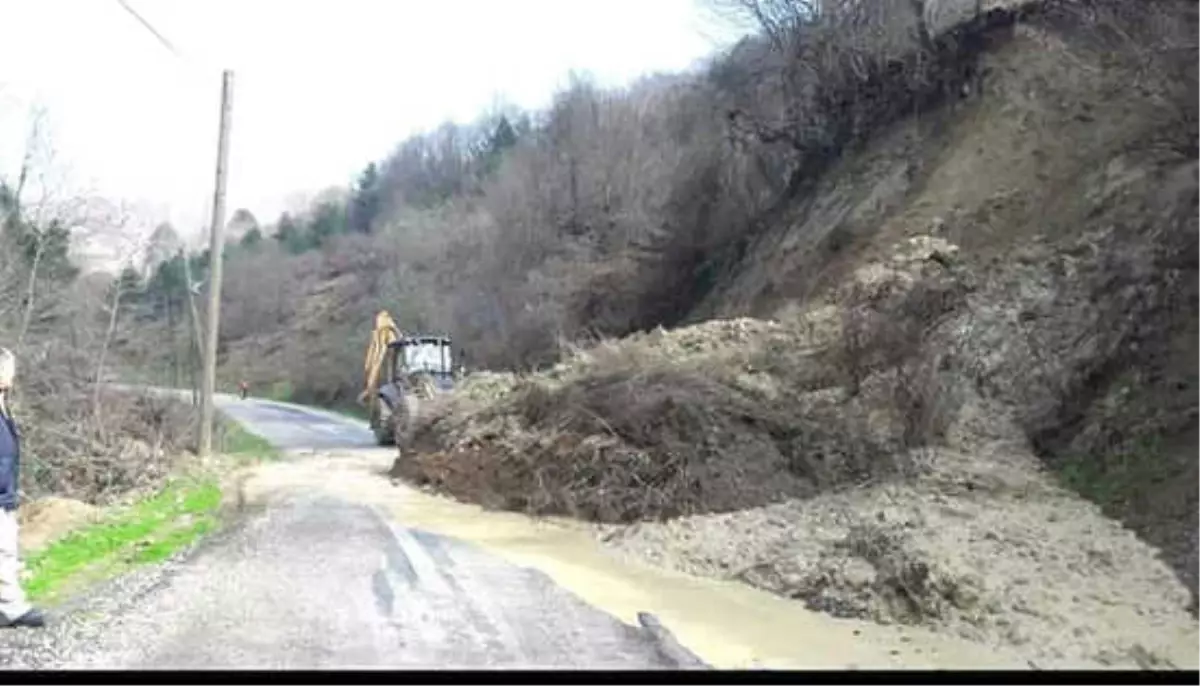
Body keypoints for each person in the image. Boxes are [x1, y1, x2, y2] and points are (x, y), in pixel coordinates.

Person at [0, 347, 46, 629]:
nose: (12, 375)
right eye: (8, 369)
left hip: (4, 494)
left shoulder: (3, 407)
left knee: (5, 550)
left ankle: (8, 606)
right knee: (3, 550)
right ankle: (11, 608)